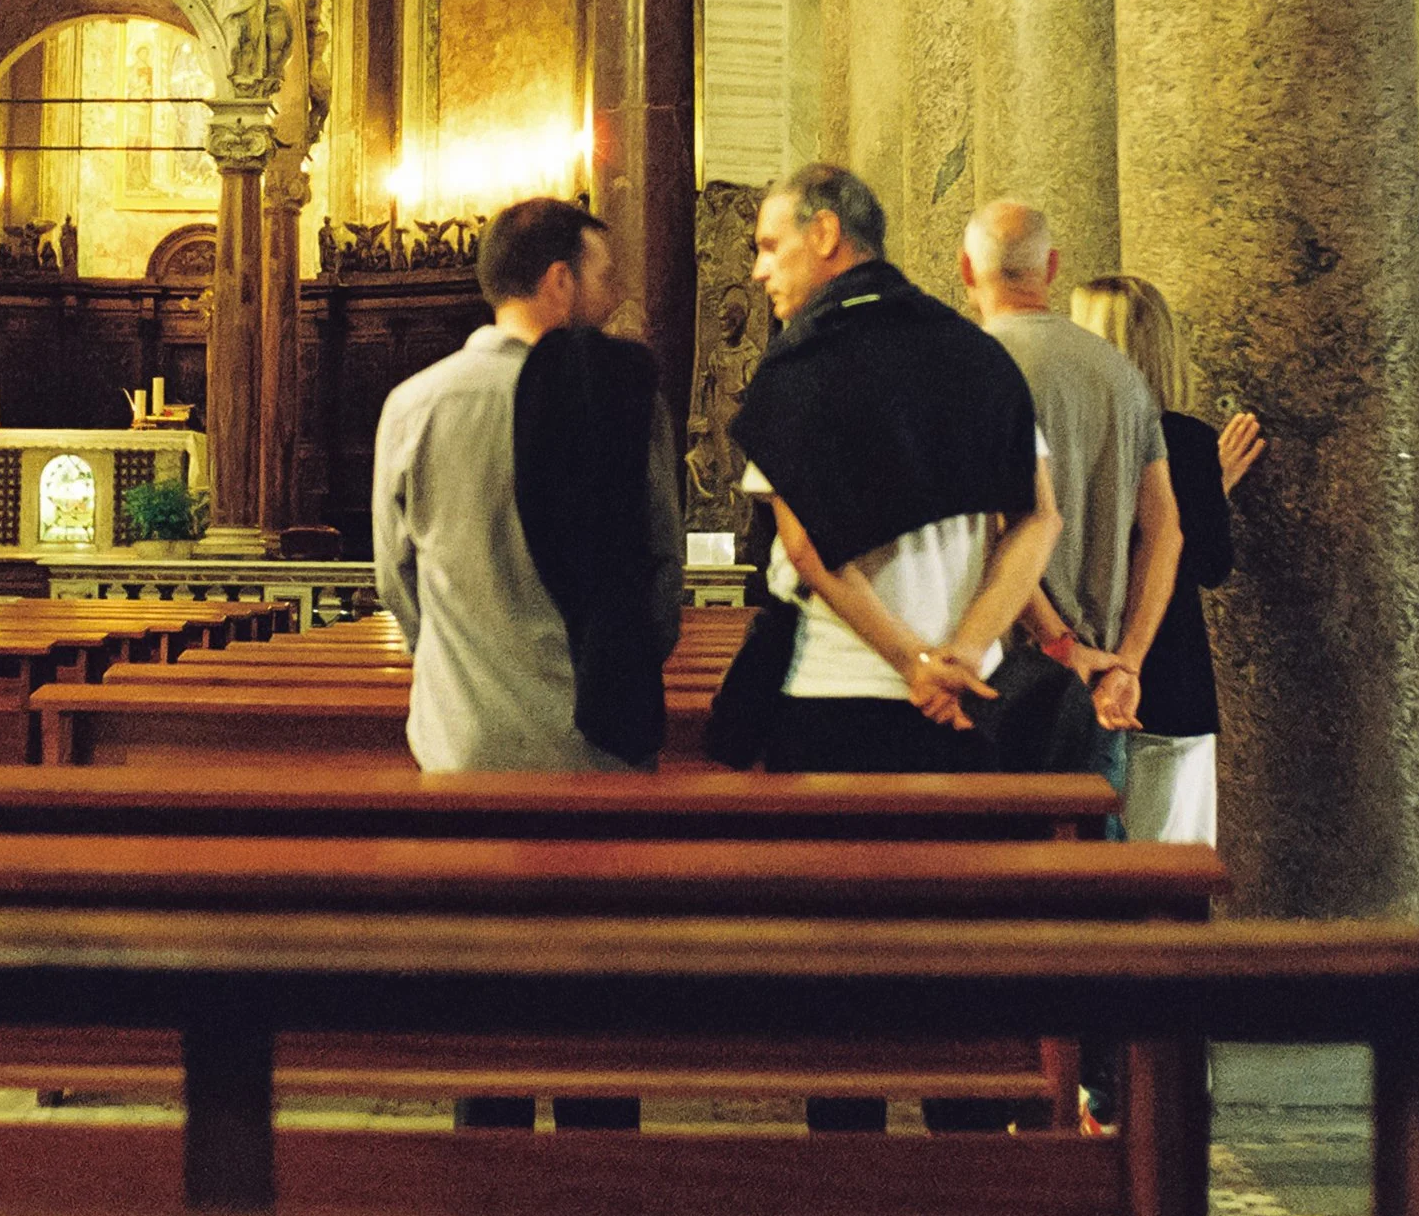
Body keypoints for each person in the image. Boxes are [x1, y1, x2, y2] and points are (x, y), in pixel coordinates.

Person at [730, 164, 1062, 777]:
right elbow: (1039, 518)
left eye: (771, 246)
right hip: (967, 702)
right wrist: (963, 650)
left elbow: (805, 548)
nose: (759, 270)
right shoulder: (976, 353)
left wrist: (913, 664)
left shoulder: (797, 366)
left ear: (826, 233)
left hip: (833, 698)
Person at [371, 195, 683, 774]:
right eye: (604, 276)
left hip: (461, 741)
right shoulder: (623, 400)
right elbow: (661, 566)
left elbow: (395, 577)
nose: (613, 296)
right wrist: (625, 664)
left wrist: (452, 662)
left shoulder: (413, 405)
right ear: (560, 281)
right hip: (597, 745)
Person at [959, 201, 1184, 796]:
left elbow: (991, 528)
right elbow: (1166, 529)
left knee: (994, 874)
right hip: (1101, 687)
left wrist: (1060, 643)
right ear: (1052, 266)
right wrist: (1127, 660)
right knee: (1088, 866)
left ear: (965, 269)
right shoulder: (1120, 373)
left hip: (1000, 672)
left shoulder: (972, 368)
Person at [1071, 273, 1267, 845]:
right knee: (1173, 873)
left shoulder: (1077, 436)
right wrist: (1211, 488)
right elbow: (1209, 563)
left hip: (1090, 670)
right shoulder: (1186, 442)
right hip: (1175, 681)